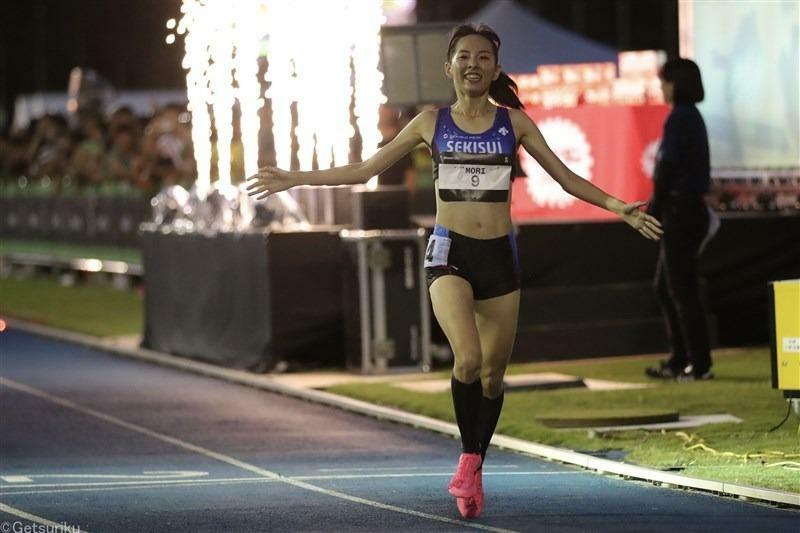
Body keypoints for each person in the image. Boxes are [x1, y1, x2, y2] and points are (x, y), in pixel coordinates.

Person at [247, 23, 662, 519]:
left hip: (499, 257)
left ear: (496, 67)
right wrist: (293, 178)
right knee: (466, 359)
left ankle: (475, 464)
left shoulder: (515, 124)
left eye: (483, 57)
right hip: (449, 252)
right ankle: (468, 461)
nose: (473, 64)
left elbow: (566, 177)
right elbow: (363, 170)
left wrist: (621, 207)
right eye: (464, 56)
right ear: (449, 67)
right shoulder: (429, 122)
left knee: (492, 377)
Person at [645, 58, 716, 382]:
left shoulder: (680, 118)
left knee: (681, 289)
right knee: (668, 286)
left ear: (675, 83)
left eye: (665, 81)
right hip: (687, 210)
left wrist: (654, 207)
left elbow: (666, 167)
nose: (662, 87)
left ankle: (697, 364)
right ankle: (682, 358)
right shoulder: (689, 117)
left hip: (681, 212)